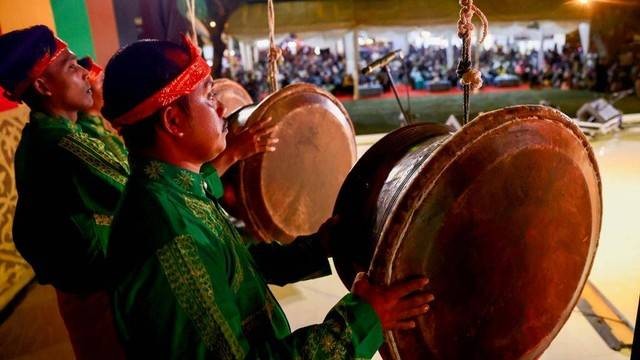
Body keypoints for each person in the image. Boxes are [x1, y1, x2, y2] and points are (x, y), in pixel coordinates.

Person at [102, 35, 434, 359]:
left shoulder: (177, 191)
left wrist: (318, 247)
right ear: (173, 120)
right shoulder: (169, 236)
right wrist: (364, 320)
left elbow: (240, 268)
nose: (221, 108)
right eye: (207, 96)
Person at [0, 25, 128, 359]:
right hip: (100, 297)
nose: (87, 73)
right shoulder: (61, 144)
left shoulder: (51, 131)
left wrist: (93, 112)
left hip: (91, 290)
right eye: (72, 67)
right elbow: (140, 188)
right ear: (42, 85)